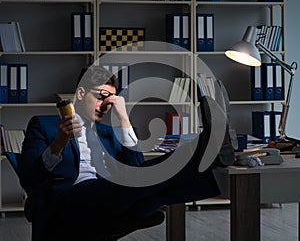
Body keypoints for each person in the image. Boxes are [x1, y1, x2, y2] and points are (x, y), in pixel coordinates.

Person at [20, 66, 221, 241]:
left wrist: (123, 119)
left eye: (110, 102)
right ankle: (203, 148)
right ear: (81, 93)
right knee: (149, 189)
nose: (104, 107)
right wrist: (59, 143)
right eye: (100, 98)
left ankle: (213, 163)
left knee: (158, 191)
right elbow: (29, 176)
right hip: (67, 203)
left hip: (108, 200)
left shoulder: (109, 133)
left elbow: (138, 167)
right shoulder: (44, 124)